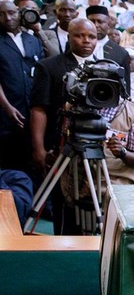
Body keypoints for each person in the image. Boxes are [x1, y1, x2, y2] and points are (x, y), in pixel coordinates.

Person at [29, 19, 97, 234]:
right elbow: (38, 109)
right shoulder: (49, 66)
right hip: (61, 148)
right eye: (79, 35)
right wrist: (39, 148)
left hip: (96, 148)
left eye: (92, 36)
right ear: (68, 36)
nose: (86, 41)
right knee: (62, 203)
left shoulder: (110, 66)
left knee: (94, 201)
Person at [0, 0, 45, 172]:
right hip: (7, 112)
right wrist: (8, 108)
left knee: (33, 162)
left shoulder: (32, 40)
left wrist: (38, 31)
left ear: (20, 13)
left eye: (11, 12)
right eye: (2, 14)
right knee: (9, 162)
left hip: (32, 111)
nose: (7, 17)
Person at [86, 5, 132, 92]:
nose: (96, 25)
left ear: (108, 23)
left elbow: (125, 90)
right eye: (92, 21)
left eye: (100, 21)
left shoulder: (121, 53)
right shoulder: (75, 45)